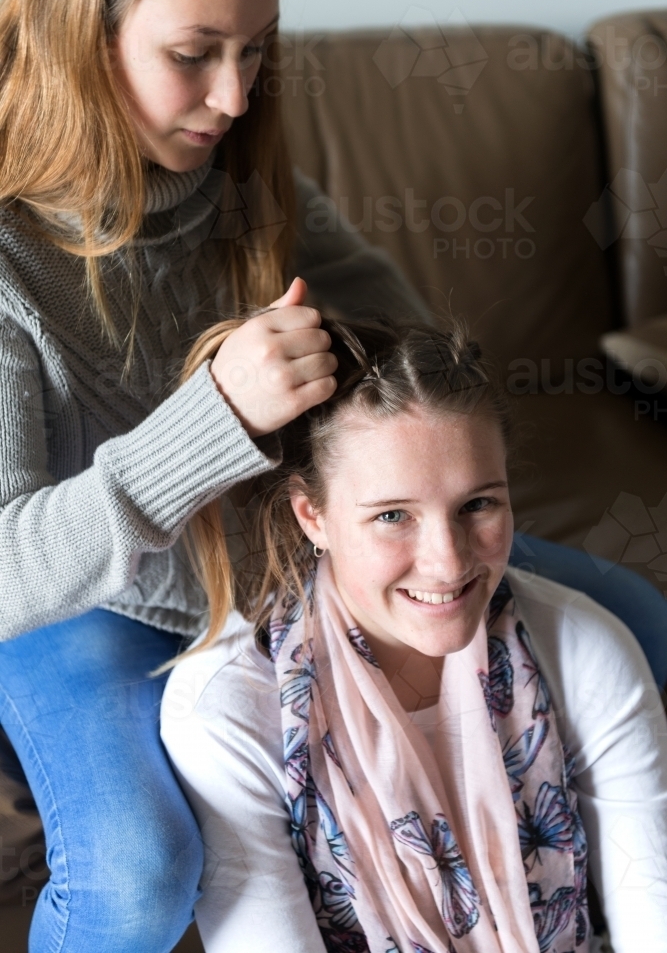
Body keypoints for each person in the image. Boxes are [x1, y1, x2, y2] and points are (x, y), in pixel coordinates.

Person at [0, 0, 665, 951]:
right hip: (85, 593)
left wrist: (385, 458)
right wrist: (213, 416)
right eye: (193, 54)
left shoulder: (241, 181)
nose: (233, 95)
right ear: (77, 42)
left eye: (255, 51)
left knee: (641, 620)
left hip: (289, 552)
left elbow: (416, 356)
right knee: (136, 876)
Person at [162, 316, 667, 953]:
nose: (449, 562)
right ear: (312, 515)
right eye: (393, 516)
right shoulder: (227, 710)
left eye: (478, 505)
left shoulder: (586, 649)